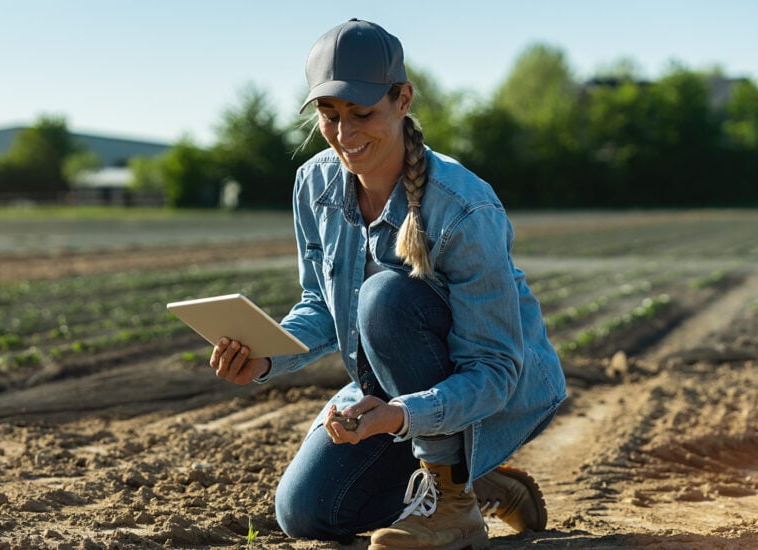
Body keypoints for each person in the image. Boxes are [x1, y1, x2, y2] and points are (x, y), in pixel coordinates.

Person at [208, 18, 568, 550]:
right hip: (391, 390)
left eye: (362, 114)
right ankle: (482, 481)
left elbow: (493, 368)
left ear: (403, 99)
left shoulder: (464, 210)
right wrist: (265, 358)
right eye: (329, 116)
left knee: (383, 297)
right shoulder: (314, 185)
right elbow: (323, 304)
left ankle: (453, 500)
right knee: (305, 512)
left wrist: (400, 415)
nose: (344, 136)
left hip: (494, 392)